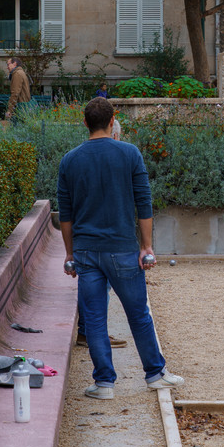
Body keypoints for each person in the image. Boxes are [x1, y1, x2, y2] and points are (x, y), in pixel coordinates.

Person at [58, 97, 185, 399]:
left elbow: (66, 215)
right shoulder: (130, 154)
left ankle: (104, 383)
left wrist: (69, 254)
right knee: (138, 314)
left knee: (95, 320)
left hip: (87, 252)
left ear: (85, 122)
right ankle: (155, 374)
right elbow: (144, 203)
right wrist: (147, 246)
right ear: (113, 121)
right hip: (124, 249)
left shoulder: (70, 160)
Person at [75, 112, 128, 351]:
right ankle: (89, 333)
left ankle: (89, 332)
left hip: (86, 234)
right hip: (101, 237)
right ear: (113, 132)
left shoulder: (79, 157)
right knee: (99, 286)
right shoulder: (118, 158)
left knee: (93, 285)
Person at [6, 57, 31, 125]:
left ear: (14, 64)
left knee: (17, 129)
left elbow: (15, 93)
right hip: (23, 105)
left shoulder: (17, 74)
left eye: (8, 64)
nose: (7, 67)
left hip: (20, 106)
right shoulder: (20, 72)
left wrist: (9, 110)